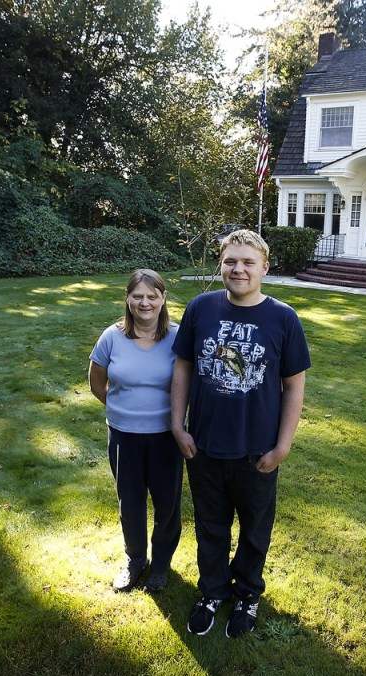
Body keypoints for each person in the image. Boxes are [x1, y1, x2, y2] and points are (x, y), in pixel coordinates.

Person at [171, 229, 311, 638]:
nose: (239, 269)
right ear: (221, 264)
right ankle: (213, 590)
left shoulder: (283, 318)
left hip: (257, 452)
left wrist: (283, 446)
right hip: (205, 447)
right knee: (210, 526)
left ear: (264, 268)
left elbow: (294, 384)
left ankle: (248, 593)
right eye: (231, 261)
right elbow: (182, 367)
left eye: (248, 262)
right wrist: (177, 426)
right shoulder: (200, 309)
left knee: (254, 530)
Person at [89, 269, 183, 593]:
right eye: (138, 296)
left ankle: (160, 564)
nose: (145, 303)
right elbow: (96, 382)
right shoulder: (111, 337)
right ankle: (135, 560)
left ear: (163, 298)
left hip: (166, 437)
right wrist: (122, 410)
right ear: (128, 298)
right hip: (124, 436)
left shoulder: (178, 337)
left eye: (152, 296)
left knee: (167, 504)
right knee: (129, 502)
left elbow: (191, 384)